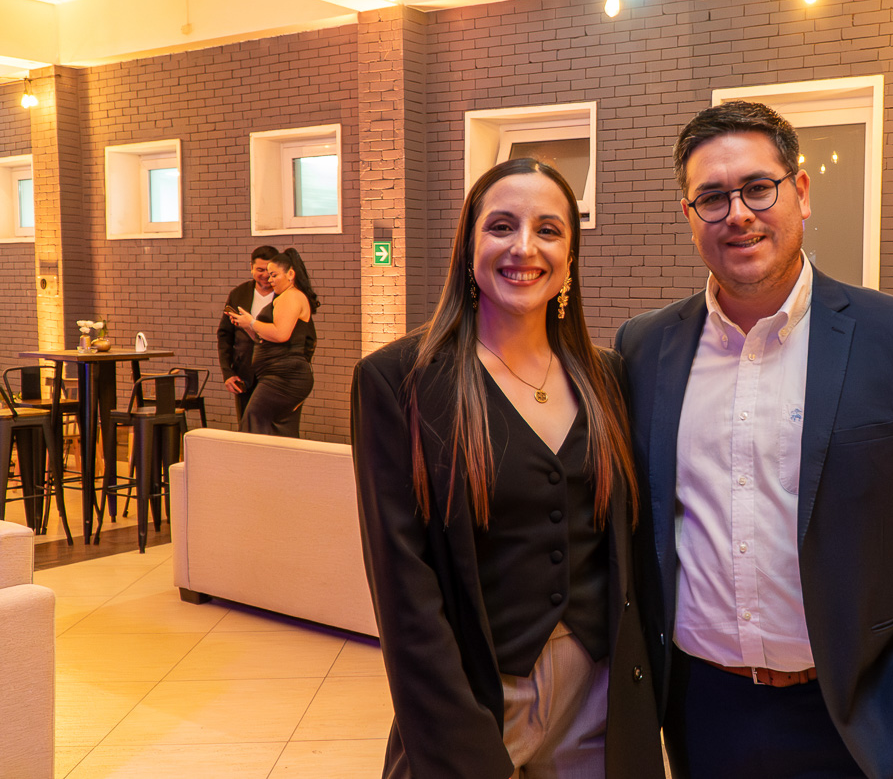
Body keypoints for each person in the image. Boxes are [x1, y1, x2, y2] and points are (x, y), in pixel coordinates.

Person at [614, 101, 893, 779]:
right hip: (703, 709)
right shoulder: (645, 348)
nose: (737, 213)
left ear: (800, 191)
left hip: (861, 712)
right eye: (712, 197)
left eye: (758, 187)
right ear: (689, 215)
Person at [350, 158, 664, 779]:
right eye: (501, 226)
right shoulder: (400, 382)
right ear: (469, 245)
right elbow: (405, 594)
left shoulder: (606, 377)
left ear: (570, 256)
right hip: (477, 699)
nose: (524, 247)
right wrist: (457, 738)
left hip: (599, 697)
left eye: (548, 230)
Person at [228, 247, 319, 437]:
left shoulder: (291, 296)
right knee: (278, 432)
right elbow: (265, 338)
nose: (270, 280)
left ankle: (249, 457)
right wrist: (247, 325)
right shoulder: (286, 297)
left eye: (274, 275)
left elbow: (281, 334)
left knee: (252, 422)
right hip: (278, 374)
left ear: (290, 274)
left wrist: (252, 322)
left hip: (284, 377)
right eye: (269, 275)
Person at [217, 245, 279, 423]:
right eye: (260, 270)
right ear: (251, 268)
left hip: (275, 373)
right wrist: (227, 372)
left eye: (269, 271)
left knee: (273, 426)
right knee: (246, 425)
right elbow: (225, 335)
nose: (265, 275)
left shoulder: (285, 296)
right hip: (244, 373)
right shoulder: (239, 294)